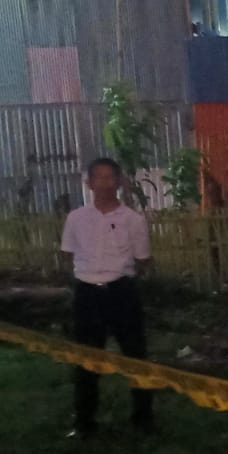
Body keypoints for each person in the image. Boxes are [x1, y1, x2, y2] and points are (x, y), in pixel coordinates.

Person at [60, 157, 154, 438]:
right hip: (87, 294)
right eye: (98, 177)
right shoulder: (76, 218)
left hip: (122, 292)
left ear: (119, 181)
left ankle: (143, 418)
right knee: (87, 359)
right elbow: (68, 254)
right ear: (88, 183)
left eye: (109, 177)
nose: (104, 183)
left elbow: (143, 260)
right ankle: (84, 422)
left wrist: (119, 276)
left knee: (135, 356)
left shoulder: (133, 220)